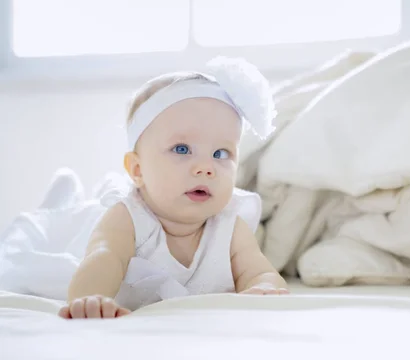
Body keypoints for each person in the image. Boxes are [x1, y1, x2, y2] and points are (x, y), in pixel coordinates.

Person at [58, 57, 289, 319]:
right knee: (65, 227)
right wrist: (92, 297)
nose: (206, 167)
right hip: (80, 238)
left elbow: (259, 272)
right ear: (138, 169)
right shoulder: (128, 218)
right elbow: (104, 258)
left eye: (220, 153)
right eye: (182, 149)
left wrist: (264, 288)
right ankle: (64, 200)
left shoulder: (229, 226)